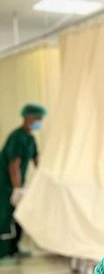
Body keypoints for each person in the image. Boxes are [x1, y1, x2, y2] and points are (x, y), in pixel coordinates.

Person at [0, 103, 46, 263]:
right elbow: (14, 166)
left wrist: (45, 179)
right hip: (5, 183)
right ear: (27, 118)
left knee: (19, 215)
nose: (39, 122)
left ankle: (14, 249)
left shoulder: (31, 138)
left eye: (41, 119)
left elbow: (37, 161)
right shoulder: (17, 137)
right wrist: (17, 189)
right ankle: (3, 253)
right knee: (5, 216)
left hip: (16, 183)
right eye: (37, 119)